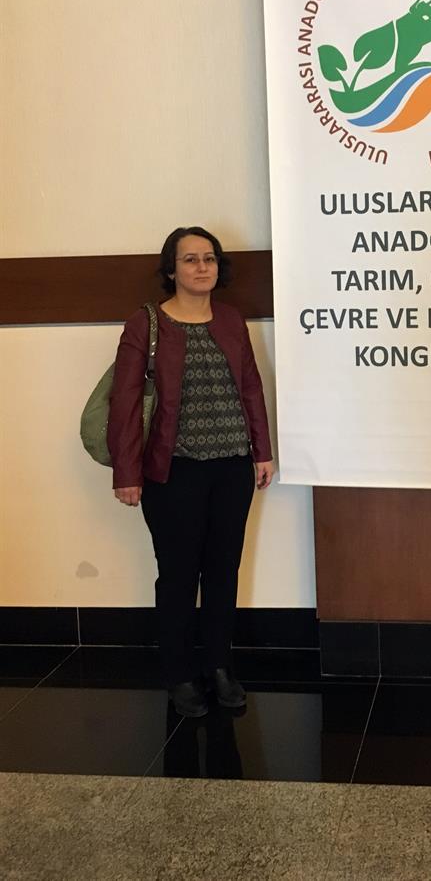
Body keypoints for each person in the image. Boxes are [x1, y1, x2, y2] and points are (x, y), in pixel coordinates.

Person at [108, 226, 275, 718]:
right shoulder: (146, 324)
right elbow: (125, 402)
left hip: (231, 468)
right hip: (172, 471)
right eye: (190, 259)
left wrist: (261, 450)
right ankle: (179, 674)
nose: (202, 267)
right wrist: (126, 471)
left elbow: (250, 387)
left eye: (210, 258)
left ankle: (220, 667)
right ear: (171, 269)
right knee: (179, 575)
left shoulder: (231, 319)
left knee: (223, 571)